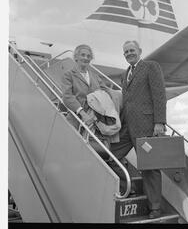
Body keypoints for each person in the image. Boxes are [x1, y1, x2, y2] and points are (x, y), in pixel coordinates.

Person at [109, 40, 167, 219]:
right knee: (110, 156)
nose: (129, 54)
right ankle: (130, 187)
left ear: (140, 51)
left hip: (146, 126)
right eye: (126, 52)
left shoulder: (151, 67)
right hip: (127, 127)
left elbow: (159, 95)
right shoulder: (125, 74)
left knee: (150, 169)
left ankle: (155, 208)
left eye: (131, 50)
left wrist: (159, 122)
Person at [61, 44, 107, 131]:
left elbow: (104, 91)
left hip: (94, 119)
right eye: (83, 55)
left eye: (88, 56)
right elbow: (67, 96)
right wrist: (83, 113)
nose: (86, 58)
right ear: (76, 57)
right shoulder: (68, 75)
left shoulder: (95, 76)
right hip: (76, 118)